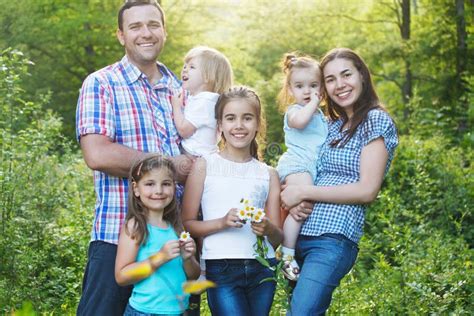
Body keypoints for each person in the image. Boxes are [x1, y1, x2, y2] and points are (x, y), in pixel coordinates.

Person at [75, 1, 192, 314]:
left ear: (164, 31)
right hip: (117, 237)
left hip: (173, 242)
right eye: (135, 26)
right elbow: (98, 154)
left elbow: (203, 158)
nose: (146, 33)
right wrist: (170, 167)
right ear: (121, 35)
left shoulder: (182, 91)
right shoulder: (102, 83)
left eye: (153, 24)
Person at [280, 48, 399, 315]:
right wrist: (289, 193)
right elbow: (302, 164)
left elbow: (367, 190)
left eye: (346, 74)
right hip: (299, 234)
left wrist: (304, 192)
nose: (340, 84)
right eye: (331, 79)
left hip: (333, 237)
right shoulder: (328, 125)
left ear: (362, 76)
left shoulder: (374, 120)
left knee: (301, 312)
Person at [181, 87, 284, 315]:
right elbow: (187, 223)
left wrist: (267, 228)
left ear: (258, 124)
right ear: (220, 126)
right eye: (231, 118)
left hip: (263, 268)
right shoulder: (205, 165)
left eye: (247, 118)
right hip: (221, 267)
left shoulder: (268, 173)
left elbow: (278, 237)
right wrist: (221, 222)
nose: (239, 125)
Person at [115, 155, 200, 315]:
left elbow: (193, 275)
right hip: (145, 312)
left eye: (166, 184)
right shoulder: (135, 226)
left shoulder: (176, 228)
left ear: (174, 188)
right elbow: (122, 276)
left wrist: (188, 258)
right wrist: (160, 257)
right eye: (150, 184)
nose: (159, 191)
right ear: (136, 189)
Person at [275, 53, 328, 281]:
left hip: (309, 169)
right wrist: (315, 102)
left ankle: (289, 248)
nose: (307, 91)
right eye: (300, 86)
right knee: (303, 205)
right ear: (290, 89)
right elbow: (300, 123)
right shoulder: (294, 112)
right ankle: (286, 253)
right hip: (296, 165)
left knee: (302, 209)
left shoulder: (321, 116)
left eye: (313, 86)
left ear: (322, 88)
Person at [172, 45, 233, 157]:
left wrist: (175, 106)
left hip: (197, 158)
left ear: (207, 77)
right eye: (185, 66)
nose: (185, 69)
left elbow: (184, 130)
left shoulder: (206, 101)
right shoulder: (200, 99)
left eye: (192, 67)